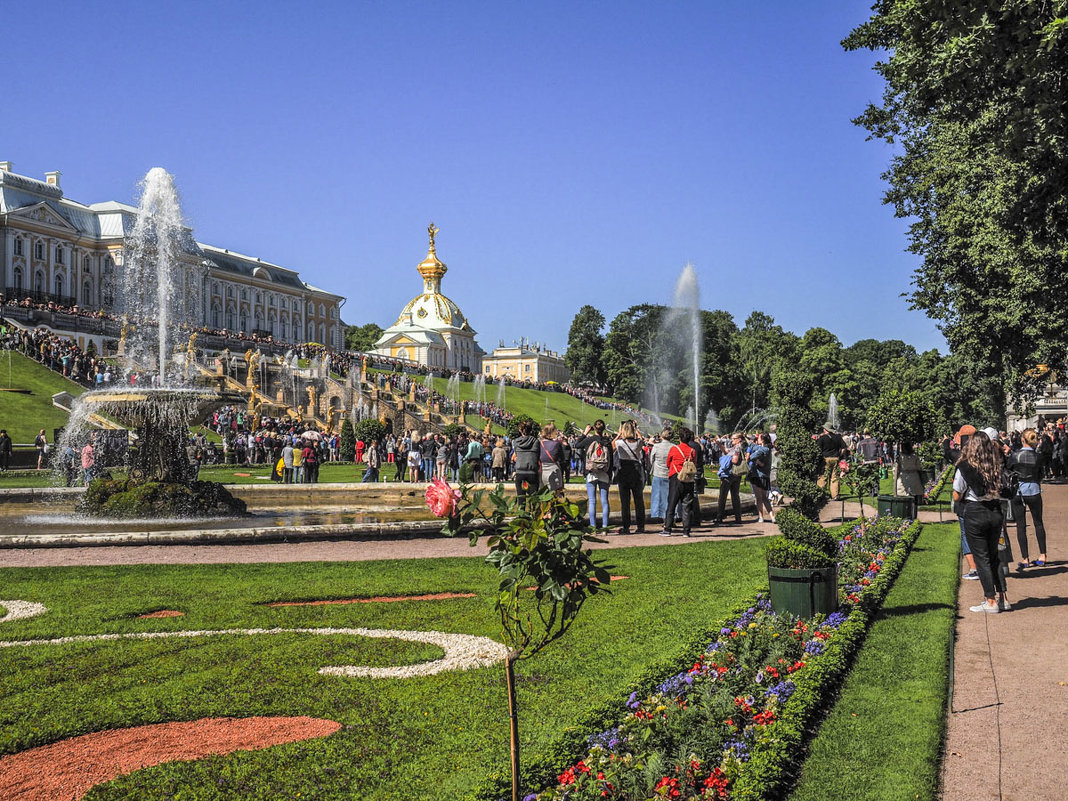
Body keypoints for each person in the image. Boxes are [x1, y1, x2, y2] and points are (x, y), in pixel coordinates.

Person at [952, 432, 1011, 613]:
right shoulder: (995, 465)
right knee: (994, 557)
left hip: (975, 511)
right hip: (994, 511)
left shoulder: (966, 467)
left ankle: (990, 600)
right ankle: (1003, 598)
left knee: (982, 558)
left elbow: (957, 493)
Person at [1006, 428, 1048, 570]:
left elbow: (1009, 470)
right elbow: (1042, 473)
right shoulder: (1038, 456)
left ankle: (1025, 558)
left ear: (1022, 440)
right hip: (1034, 490)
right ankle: (1043, 555)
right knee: (1038, 523)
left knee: (1021, 526)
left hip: (1019, 492)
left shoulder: (1015, 455)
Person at [575, 420, 613, 530]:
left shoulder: (589, 440)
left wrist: (584, 433)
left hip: (591, 472)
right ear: (604, 429)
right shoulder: (607, 441)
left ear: (594, 429)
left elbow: (577, 445)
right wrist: (609, 475)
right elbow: (611, 460)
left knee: (592, 501)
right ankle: (605, 528)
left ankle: (593, 527)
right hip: (604, 472)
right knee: (604, 501)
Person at [662, 426, 698, 537]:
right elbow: (694, 464)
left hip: (676, 477)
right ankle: (686, 531)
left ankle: (667, 529)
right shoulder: (693, 451)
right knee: (686, 505)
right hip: (689, 479)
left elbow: (668, 463)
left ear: (680, 438)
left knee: (672, 504)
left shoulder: (674, 449)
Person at [613, 420, 647, 534]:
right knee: (639, 500)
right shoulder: (638, 443)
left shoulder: (619, 443)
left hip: (624, 470)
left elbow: (611, 445)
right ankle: (641, 526)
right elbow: (642, 438)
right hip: (636, 471)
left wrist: (619, 433)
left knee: (625, 501)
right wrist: (636, 428)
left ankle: (626, 527)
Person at [715, 432, 746, 525]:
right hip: (736, 475)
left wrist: (725, 459)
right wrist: (719, 445)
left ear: (739, 439)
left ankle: (719, 517)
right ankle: (738, 517)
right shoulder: (737, 447)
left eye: (734, 439)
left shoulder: (737, 448)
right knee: (735, 496)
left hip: (729, 475)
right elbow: (727, 451)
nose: (732, 440)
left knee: (723, 496)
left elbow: (735, 460)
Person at [815, 424, 848, 499]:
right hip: (835, 458)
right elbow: (844, 448)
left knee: (823, 476)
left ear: (825, 430)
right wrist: (840, 455)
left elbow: (818, 449)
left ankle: (821, 495)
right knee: (834, 477)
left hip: (825, 458)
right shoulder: (838, 437)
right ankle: (835, 495)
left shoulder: (822, 438)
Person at [748, 433, 775, 524]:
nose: (757, 439)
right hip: (765, 476)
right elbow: (754, 447)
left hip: (758, 476)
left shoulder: (763, 449)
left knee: (759, 498)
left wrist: (757, 461)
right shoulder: (767, 449)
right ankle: (772, 516)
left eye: (759, 438)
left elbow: (751, 457)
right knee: (765, 498)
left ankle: (761, 517)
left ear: (762, 440)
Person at [649, 427, 675, 523]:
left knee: (659, 498)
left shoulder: (656, 447)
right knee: (670, 497)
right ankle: (670, 519)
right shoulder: (674, 447)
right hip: (670, 474)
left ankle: (665, 520)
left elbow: (651, 460)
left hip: (658, 473)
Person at [511, 419, 541, 500]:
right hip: (532, 471)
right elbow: (538, 456)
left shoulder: (516, 442)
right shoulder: (536, 442)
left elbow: (516, 455)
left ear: (520, 430)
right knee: (534, 499)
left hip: (520, 471)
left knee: (521, 499)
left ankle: (522, 512)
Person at [895, 442, 925, 508]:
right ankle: (913, 511)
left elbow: (896, 469)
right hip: (914, 475)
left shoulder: (900, 456)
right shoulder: (914, 455)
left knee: (902, 494)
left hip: (904, 475)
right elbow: (918, 467)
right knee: (914, 495)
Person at [538, 424, 566, 492]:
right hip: (554, 469)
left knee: (543, 494)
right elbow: (562, 458)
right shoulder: (556, 444)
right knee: (556, 494)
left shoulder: (539, 443)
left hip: (542, 471)